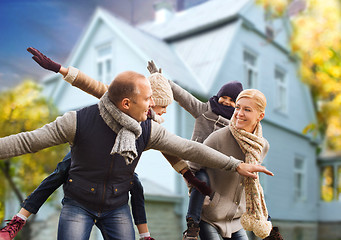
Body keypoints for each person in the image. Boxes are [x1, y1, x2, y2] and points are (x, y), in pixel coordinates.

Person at [0, 60, 272, 239]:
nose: (154, 107)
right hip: (79, 201)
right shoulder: (78, 121)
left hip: (116, 205)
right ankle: (20, 217)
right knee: (63, 168)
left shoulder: (148, 128)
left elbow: (188, 148)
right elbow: (27, 141)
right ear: (127, 104)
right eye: (149, 100)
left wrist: (235, 165)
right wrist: (62, 70)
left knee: (135, 185)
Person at [146, 62, 283, 240]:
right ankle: (192, 225)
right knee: (201, 178)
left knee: (254, 184)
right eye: (223, 97)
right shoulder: (206, 113)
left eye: (232, 101)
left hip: (232, 209)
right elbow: (183, 97)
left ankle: (268, 226)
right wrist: (163, 81)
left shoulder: (254, 141)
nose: (226, 102)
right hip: (200, 172)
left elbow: (249, 185)